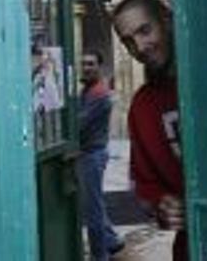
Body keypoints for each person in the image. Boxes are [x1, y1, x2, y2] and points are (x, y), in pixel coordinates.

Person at [112, 0, 187, 261]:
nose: (140, 47)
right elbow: (145, 185)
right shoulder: (142, 106)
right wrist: (163, 204)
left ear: (166, 19)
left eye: (145, 30)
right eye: (128, 41)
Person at [78, 50, 124, 260]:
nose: (86, 68)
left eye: (91, 64)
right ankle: (112, 241)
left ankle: (99, 255)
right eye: (84, 64)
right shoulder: (89, 90)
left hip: (92, 155)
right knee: (95, 201)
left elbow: (80, 123)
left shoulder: (98, 94)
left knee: (93, 209)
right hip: (92, 152)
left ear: (99, 67)